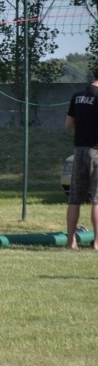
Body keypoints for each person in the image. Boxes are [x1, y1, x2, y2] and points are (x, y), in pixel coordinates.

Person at [64, 69, 98, 250]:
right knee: (97, 199)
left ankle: (71, 241)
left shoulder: (77, 96)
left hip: (79, 151)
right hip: (96, 151)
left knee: (75, 198)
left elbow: (68, 124)